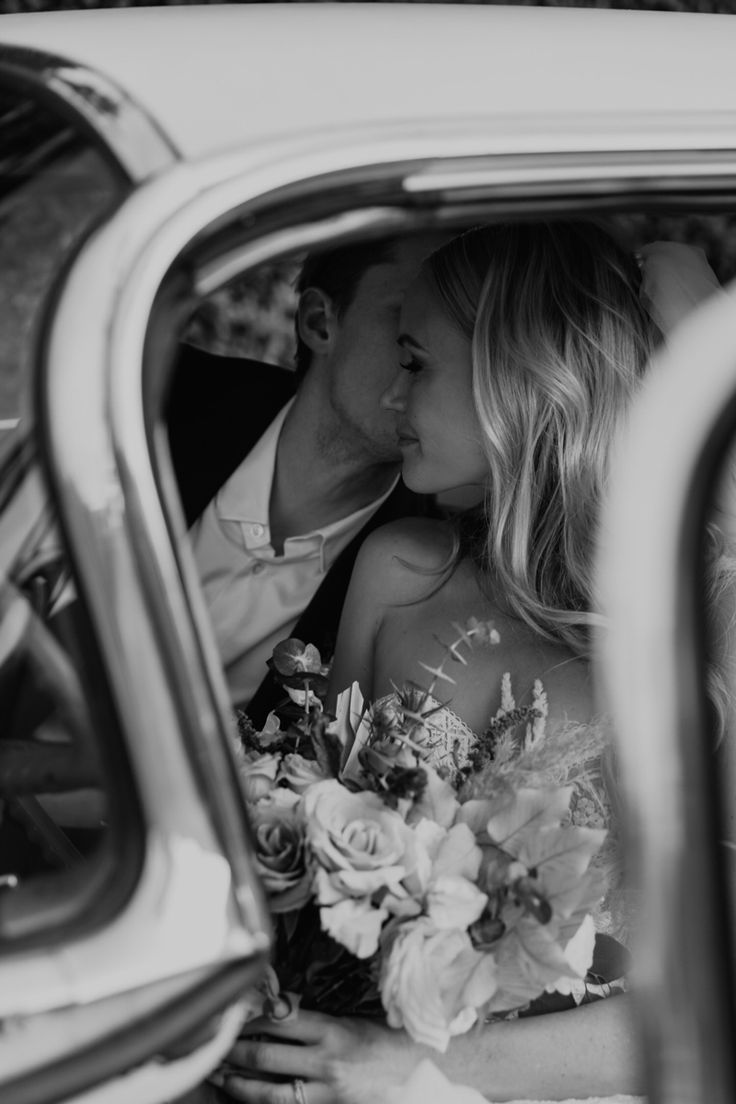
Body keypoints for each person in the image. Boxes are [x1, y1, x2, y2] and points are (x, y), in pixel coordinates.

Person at [213, 222, 733, 1104]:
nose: (394, 399)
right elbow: (323, 844)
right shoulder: (401, 572)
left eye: (417, 363)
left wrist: (414, 1075)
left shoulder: (704, 621)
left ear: (517, 379)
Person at [166, 233, 446, 725]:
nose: (430, 358)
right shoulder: (160, 393)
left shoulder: (427, 573)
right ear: (320, 322)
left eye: (460, 336)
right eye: (406, 319)